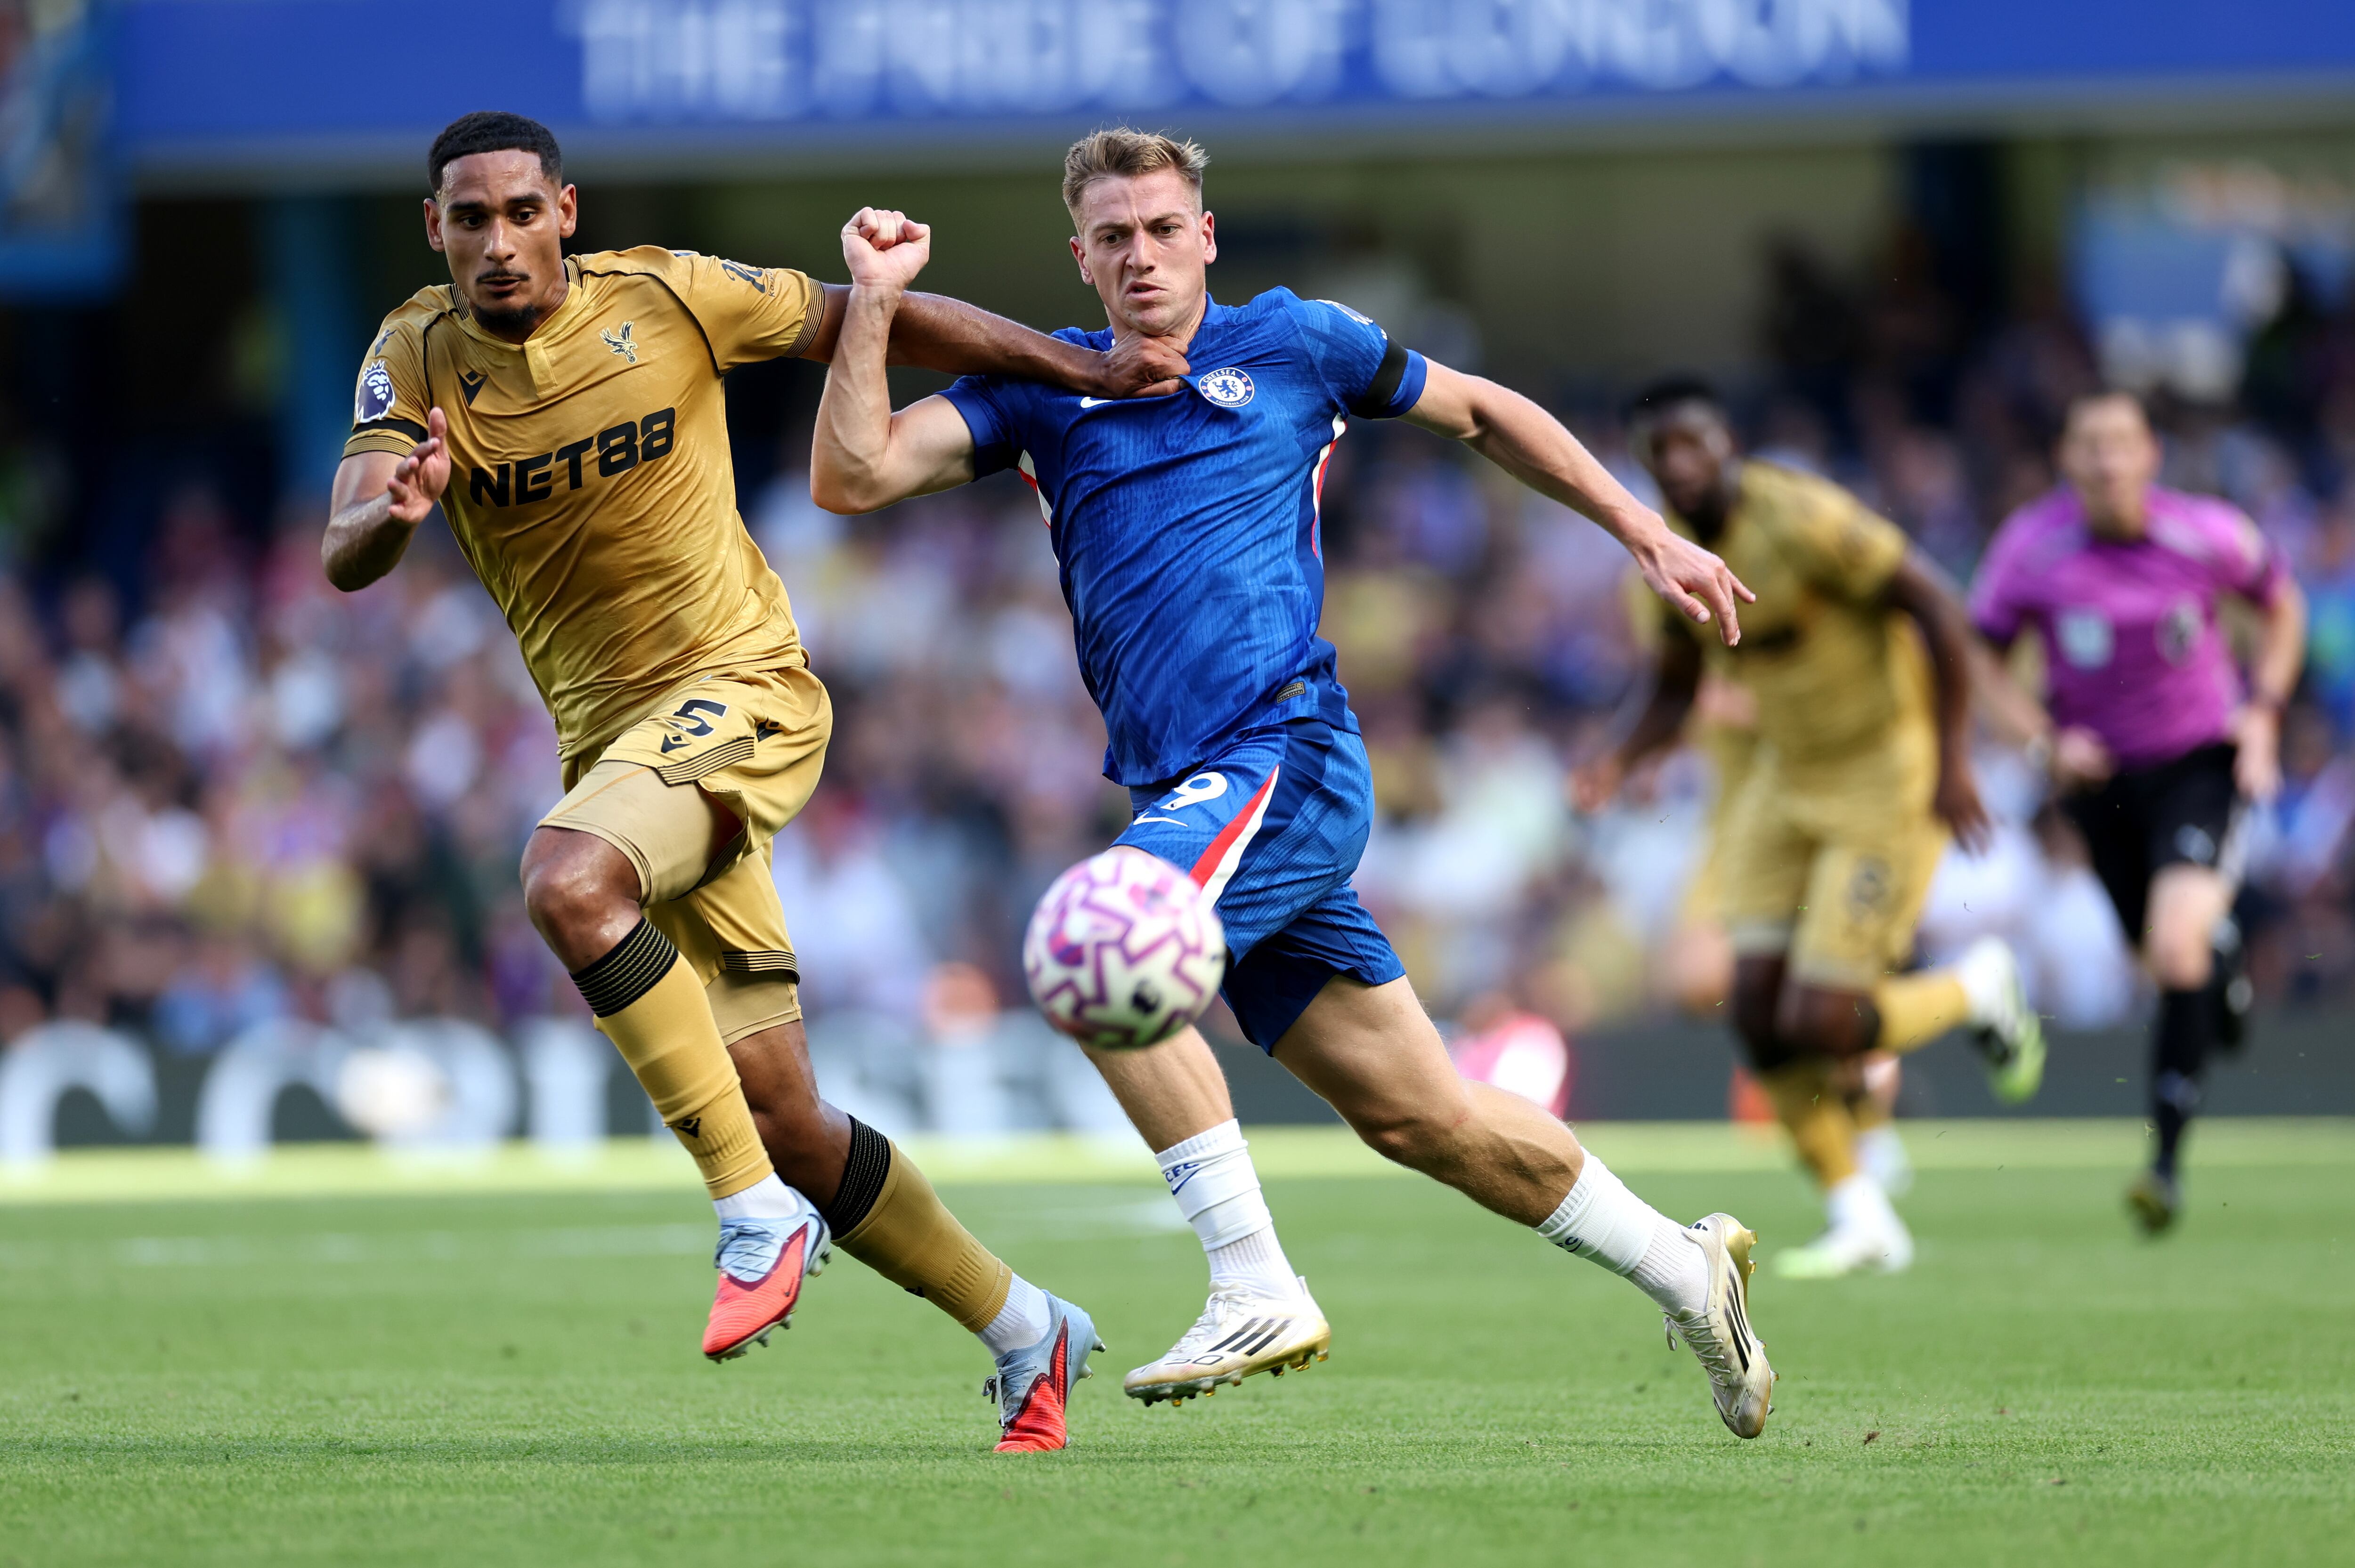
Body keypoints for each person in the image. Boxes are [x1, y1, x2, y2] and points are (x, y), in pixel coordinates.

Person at [809, 128, 1778, 1440]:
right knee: (1425, 1117)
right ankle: (1684, 1265)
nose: (1141, 254)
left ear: (1205, 236)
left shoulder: (1296, 344)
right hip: (1192, 792)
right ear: (1081, 257)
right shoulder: (1046, 388)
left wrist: (1645, 531)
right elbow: (851, 474)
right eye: (1114, 236)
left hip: (1282, 750)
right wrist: (873, 302)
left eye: (1163, 228)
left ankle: (1252, 1281)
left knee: (1095, 947)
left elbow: (1486, 410)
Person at [322, 111, 1185, 1453]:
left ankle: (746, 1211)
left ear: (566, 209)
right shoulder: (411, 351)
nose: (498, 242)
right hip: (622, 754)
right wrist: (391, 515)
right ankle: (1027, 1326)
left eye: (520, 212)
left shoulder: (669, 294)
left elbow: (876, 317)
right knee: (784, 1111)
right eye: (469, 221)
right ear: (437, 232)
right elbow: (345, 544)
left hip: (744, 693)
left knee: (566, 881)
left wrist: (1089, 367)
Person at [1573, 378, 2046, 1279]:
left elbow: (1936, 608)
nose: (1680, 464)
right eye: (1661, 450)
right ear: (1645, 462)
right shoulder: (1659, 553)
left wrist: (1952, 758)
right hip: (1786, 780)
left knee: (1823, 1016)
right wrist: (1617, 757)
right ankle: (1860, 1210)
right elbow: (1675, 683)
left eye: (1695, 444)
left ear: (1728, 446)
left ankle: (1978, 988)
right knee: (1755, 1015)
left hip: (1883, 770)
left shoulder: (1803, 519)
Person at [1971, 391, 2305, 1234]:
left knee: (2173, 943)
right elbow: (1982, 659)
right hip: (2100, 783)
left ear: (2151, 453)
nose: (2108, 460)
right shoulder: (2031, 548)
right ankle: (2217, 965)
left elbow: (2283, 605)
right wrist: (2044, 741)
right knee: (2162, 960)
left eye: (2122, 443)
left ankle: (2165, 1162)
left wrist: (2262, 710)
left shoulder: (2208, 531)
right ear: (2065, 460)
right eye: (2089, 445)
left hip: (2199, 764)